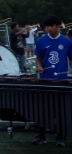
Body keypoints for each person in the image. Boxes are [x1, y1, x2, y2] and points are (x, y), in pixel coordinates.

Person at [33, 15, 72, 147]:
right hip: (45, 79)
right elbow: (38, 58)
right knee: (43, 109)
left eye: (51, 26)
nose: (48, 28)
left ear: (58, 26)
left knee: (60, 110)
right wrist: (39, 66)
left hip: (61, 80)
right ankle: (41, 135)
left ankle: (60, 136)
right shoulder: (41, 41)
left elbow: (71, 58)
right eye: (47, 26)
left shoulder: (67, 42)